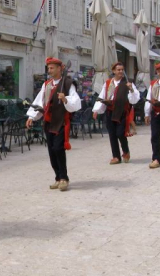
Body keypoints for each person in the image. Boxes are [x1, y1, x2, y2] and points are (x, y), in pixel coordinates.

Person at [26, 57, 81, 191]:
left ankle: (64, 178)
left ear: (59, 68)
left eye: (52, 67)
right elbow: (40, 102)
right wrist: (32, 116)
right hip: (49, 122)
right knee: (51, 151)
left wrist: (65, 99)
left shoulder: (68, 84)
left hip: (61, 121)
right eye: (48, 68)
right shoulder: (47, 84)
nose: (49, 70)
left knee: (58, 148)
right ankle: (57, 177)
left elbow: (76, 102)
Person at [92, 62, 140, 164]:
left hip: (122, 113)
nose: (121, 72)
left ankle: (126, 151)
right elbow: (102, 96)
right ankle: (116, 156)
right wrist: (96, 110)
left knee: (120, 134)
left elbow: (134, 99)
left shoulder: (128, 82)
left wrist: (131, 89)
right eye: (118, 70)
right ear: (114, 71)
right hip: (110, 112)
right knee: (112, 135)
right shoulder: (108, 83)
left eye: (122, 70)